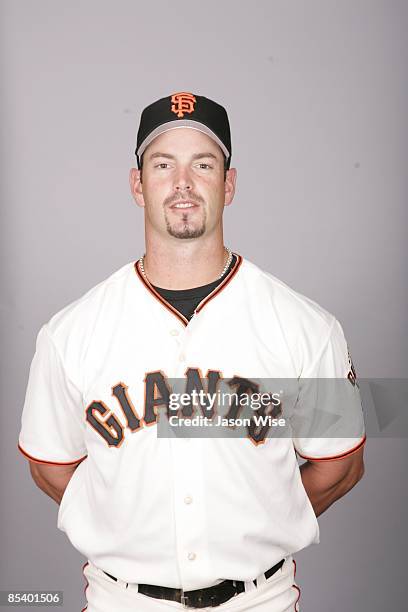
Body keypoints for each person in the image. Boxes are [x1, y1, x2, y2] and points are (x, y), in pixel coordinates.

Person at [19, 91, 366, 611]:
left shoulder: (306, 326)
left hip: (259, 602)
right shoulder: (70, 331)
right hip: (123, 602)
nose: (182, 183)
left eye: (203, 164)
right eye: (163, 164)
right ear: (138, 184)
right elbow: (51, 465)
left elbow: (340, 466)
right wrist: (121, 527)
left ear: (228, 184)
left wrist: (265, 522)